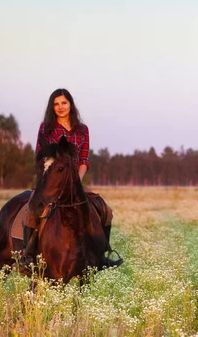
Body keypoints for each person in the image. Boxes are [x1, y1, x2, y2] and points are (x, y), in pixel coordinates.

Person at [20, 88, 123, 268]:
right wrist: (44, 181)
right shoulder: (46, 128)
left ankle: (102, 255)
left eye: (64, 103)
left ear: (70, 104)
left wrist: (77, 180)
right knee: (32, 211)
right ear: (52, 107)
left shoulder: (82, 130)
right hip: (51, 181)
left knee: (105, 210)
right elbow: (40, 155)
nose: (60, 107)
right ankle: (27, 256)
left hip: (74, 181)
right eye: (56, 104)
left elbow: (84, 159)